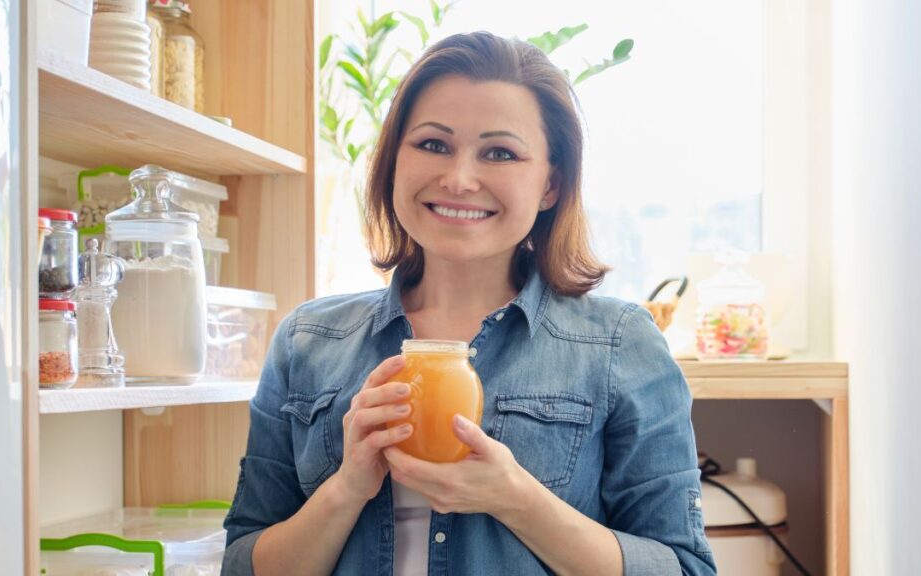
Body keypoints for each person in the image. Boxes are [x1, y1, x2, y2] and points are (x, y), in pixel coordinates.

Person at [221, 31, 717, 576]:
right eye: (433, 144)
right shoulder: (306, 341)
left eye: (499, 152)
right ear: (393, 163)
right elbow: (243, 564)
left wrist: (517, 499)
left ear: (550, 184)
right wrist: (346, 489)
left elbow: (685, 568)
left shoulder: (620, 344)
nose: (458, 179)